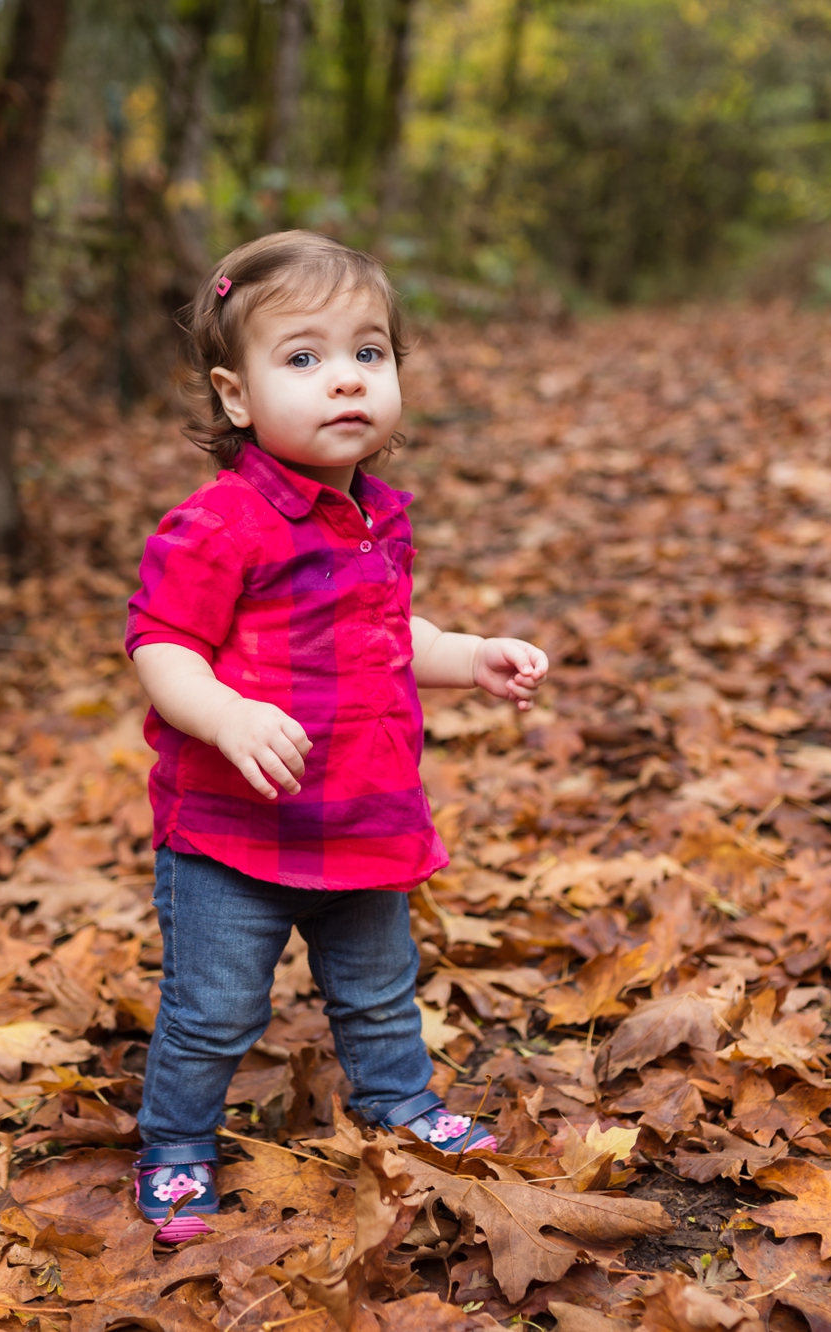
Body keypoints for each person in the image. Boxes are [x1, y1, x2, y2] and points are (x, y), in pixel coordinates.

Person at [124, 230, 549, 1240]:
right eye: (304, 359)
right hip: (235, 831)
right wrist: (224, 713)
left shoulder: (369, 517)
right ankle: (177, 1143)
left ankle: (397, 1101)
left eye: (369, 353)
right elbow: (161, 645)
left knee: (376, 987)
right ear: (236, 396)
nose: (345, 380)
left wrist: (468, 653)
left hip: (359, 814)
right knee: (215, 1007)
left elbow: (388, 631)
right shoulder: (218, 525)